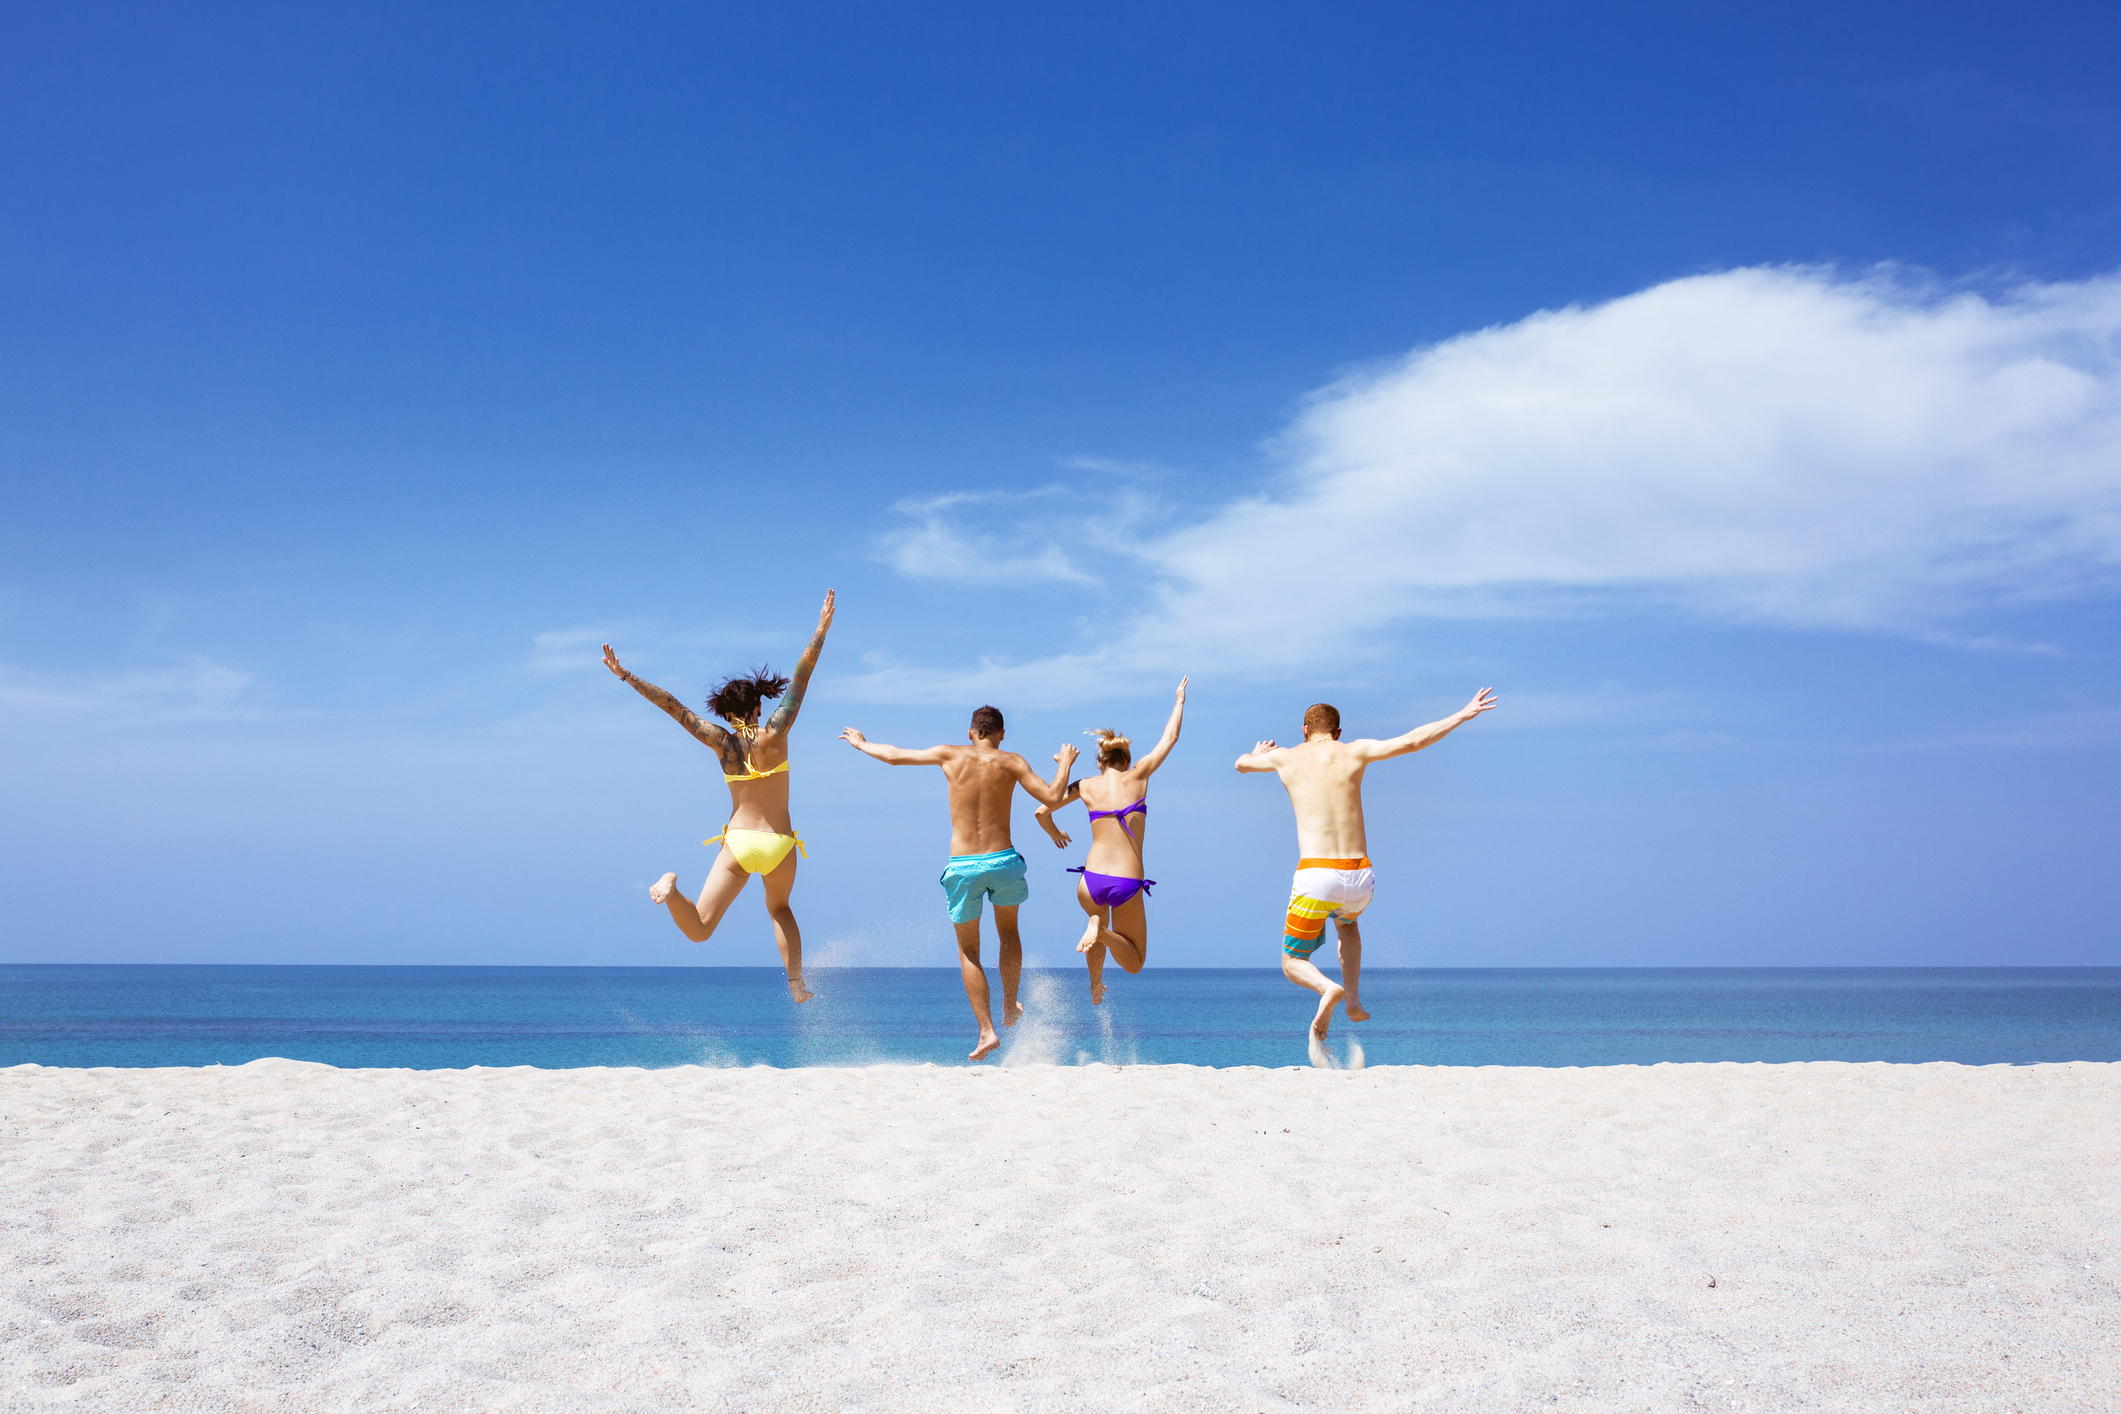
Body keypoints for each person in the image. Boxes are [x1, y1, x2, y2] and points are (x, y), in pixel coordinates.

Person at [600, 590, 836, 1005]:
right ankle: (796, 985)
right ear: (759, 707)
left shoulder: (721, 742)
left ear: (727, 713)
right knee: (780, 909)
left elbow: (672, 706)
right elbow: (803, 675)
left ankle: (671, 890)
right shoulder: (777, 731)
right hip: (779, 844)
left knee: (701, 929)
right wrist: (820, 630)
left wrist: (626, 676)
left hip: (740, 843)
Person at [1235, 689, 1498, 1045]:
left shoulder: (1285, 757)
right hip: (1360, 876)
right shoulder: (1354, 750)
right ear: (1338, 732)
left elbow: (1241, 764)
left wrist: (1257, 753)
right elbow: (1414, 740)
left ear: (1304, 730)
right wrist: (1462, 714)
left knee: (1291, 962)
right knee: (1347, 924)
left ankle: (1329, 989)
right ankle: (1355, 1001)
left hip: (1316, 875)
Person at [840, 707, 1076, 1060]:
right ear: (1001, 733)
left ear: (970, 732)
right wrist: (1065, 763)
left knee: (969, 951)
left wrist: (861, 744)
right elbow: (1053, 798)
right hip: (1003, 861)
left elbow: (894, 756)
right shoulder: (1012, 761)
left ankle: (986, 1032)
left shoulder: (951, 754)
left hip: (964, 865)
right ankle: (1010, 1006)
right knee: (1009, 933)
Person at [1033, 677, 1187, 1004]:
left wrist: (1056, 834)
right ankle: (1100, 931)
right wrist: (1179, 699)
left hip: (1090, 881)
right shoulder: (1140, 775)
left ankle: (1095, 983)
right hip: (1126, 882)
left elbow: (1040, 812)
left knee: (1097, 925)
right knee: (1134, 962)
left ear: (1100, 762)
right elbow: (1170, 737)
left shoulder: (1085, 785)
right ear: (1127, 761)